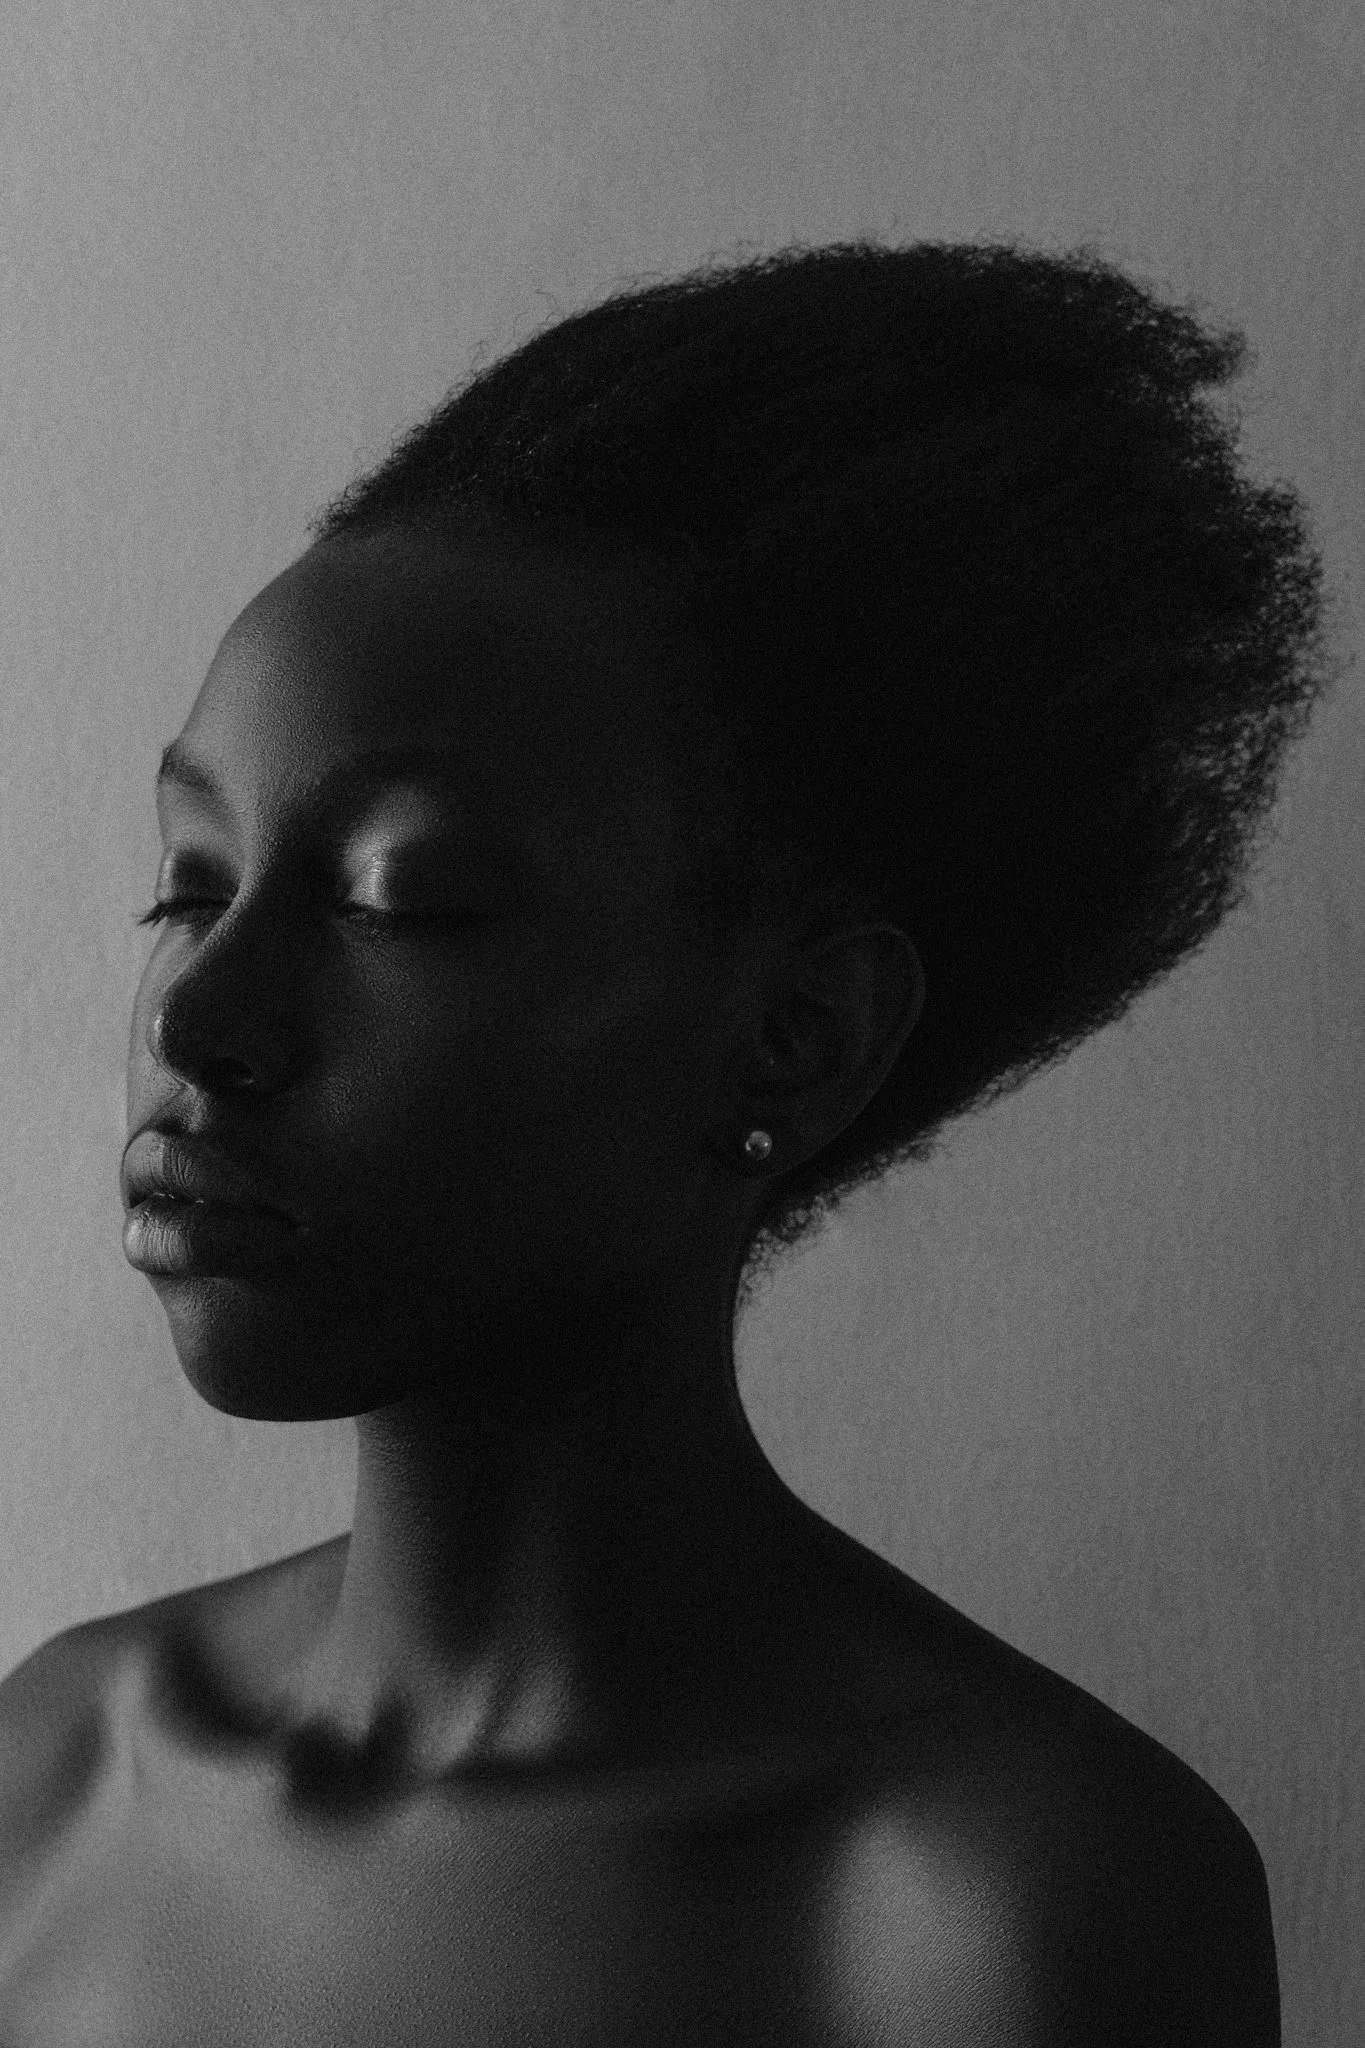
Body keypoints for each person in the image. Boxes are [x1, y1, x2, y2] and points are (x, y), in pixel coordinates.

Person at [0, 238, 1336, 2043]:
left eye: (402, 900)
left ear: (800, 1034)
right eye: (190, 881)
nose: (194, 1020)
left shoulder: (991, 1914)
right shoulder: (49, 1773)